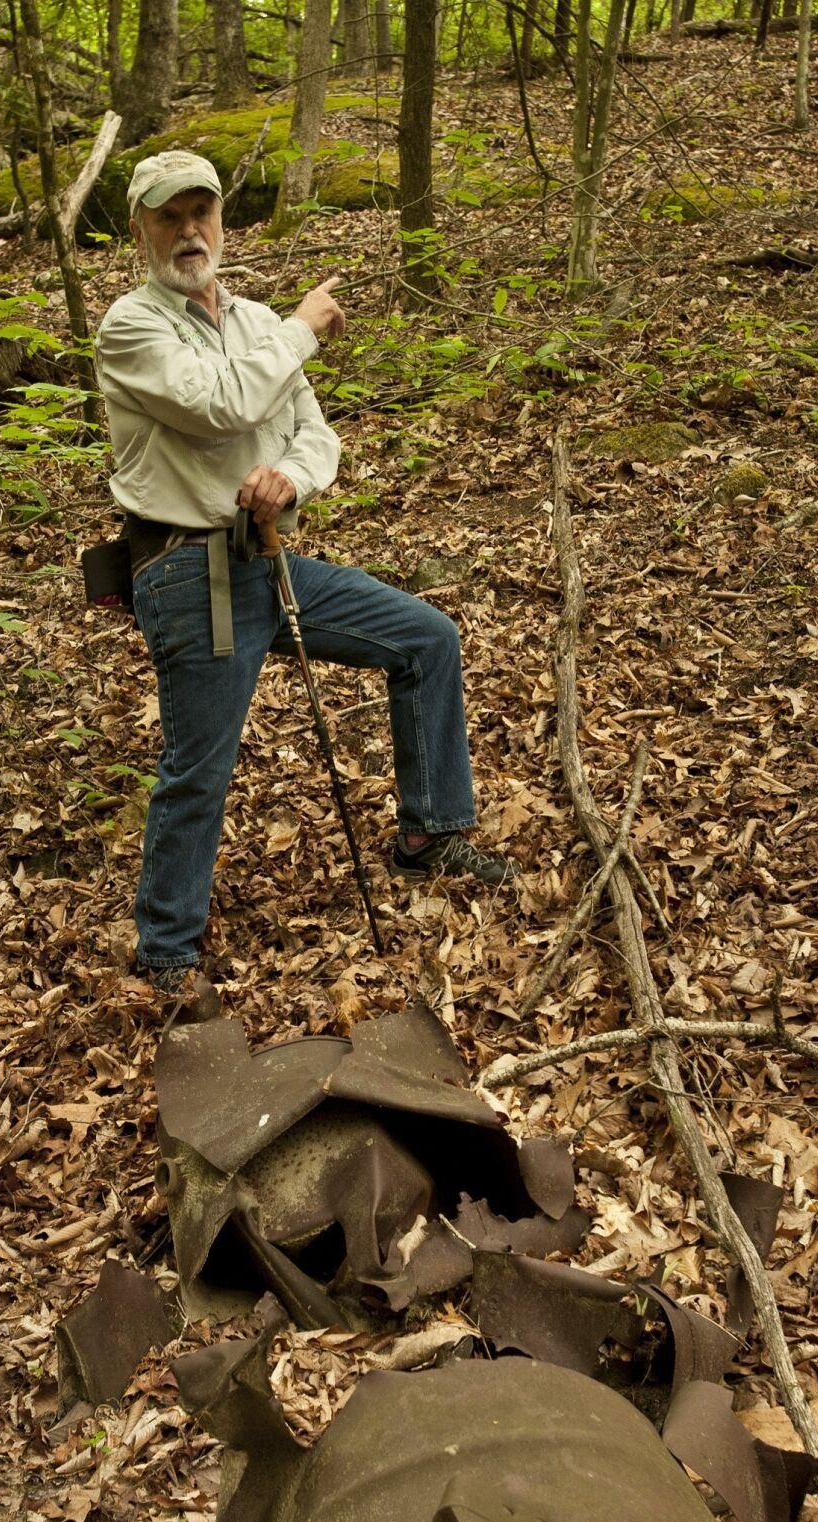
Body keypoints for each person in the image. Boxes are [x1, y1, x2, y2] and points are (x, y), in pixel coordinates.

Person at [94, 149, 515, 993]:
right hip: (188, 573)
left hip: (267, 555)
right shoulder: (130, 326)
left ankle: (427, 834)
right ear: (139, 228)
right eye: (168, 216)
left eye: (200, 213)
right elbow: (223, 406)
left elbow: (312, 431)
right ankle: (167, 953)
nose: (187, 231)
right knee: (199, 766)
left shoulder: (252, 321)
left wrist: (290, 476)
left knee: (425, 638)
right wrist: (303, 328)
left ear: (222, 220)